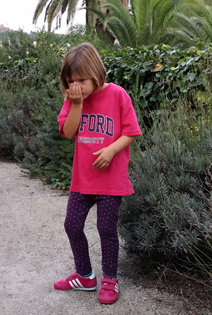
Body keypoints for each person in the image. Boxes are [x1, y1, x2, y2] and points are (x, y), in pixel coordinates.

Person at [53, 42, 141, 304]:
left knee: (106, 229)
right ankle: (85, 276)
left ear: (96, 73)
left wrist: (111, 150)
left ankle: (110, 279)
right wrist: (76, 103)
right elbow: (69, 133)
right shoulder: (73, 101)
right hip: (82, 181)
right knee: (72, 225)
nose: (76, 86)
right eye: (71, 81)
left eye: (81, 80)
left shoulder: (117, 95)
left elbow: (131, 132)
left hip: (111, 182)